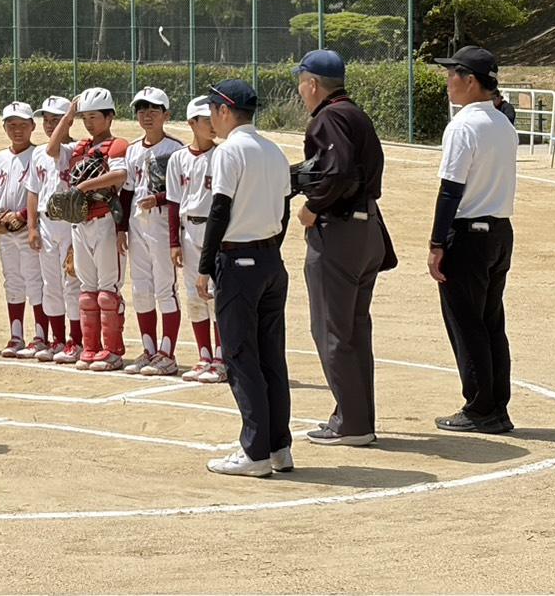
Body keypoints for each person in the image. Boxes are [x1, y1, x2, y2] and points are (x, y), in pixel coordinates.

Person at [197, 80, 293, 478]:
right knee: (271, 356)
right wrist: (268, 248)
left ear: (225, 111)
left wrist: (205, 266)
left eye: (212, 110)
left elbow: (220, 210)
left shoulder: (229, 152)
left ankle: (255, 451)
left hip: (238, 263)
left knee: (240, 356)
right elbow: (285, 211)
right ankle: (279, 447)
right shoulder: (274, 150)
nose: (210, 119)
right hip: (271, 260)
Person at [294, 49, 388, 447]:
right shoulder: (355, 114)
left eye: (302, 83)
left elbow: (338, 172)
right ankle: (359, 418)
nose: (301, 91)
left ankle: (352, 423)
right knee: (354, 329)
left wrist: (313, 207)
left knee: (331, 329)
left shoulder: (329, 117)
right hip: (368, 230)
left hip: (340, 231)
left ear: (313, 84)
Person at [429, 46, 518, 434]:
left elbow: (451, 190)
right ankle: (497, 406)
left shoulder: (463, 125)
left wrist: (436, 243)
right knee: (491, 320)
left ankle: (480, 407)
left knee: (466, 323)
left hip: (468, 234)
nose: (449, 81)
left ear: (469, 80)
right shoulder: (503, 124)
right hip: (499, 232)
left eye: (453, 74)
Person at [46, 89, 129, 370]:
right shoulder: (79, 147)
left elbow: (119, 175)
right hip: (80, 223)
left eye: (94, 117)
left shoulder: (116, 145)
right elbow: (52, 149)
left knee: (107, 292)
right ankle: (91, 347)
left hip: (105, 220)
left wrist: (83, 187)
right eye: (85, 118)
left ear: (109, 117)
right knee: (87, 292)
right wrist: (69, 115)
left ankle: (113, 350)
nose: (89, 123)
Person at [120, 88, 184, 376]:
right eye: (141, 110)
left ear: (166, 115)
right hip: (137, 225)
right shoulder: (133, 149)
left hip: (162, 224)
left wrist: (157, 199)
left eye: (153, 110)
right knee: (141, 288)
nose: (146, 115)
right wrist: (121, 228)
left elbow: (180, 192)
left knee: (165, 287)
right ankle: (149, 350)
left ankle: (167, 353)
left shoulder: (176, 149)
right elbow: (127, 192)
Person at [165, 97, 224, 383]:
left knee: (215, 294)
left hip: (215, 230)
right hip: (188, 230)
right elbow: (173, 202)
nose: (212, 125)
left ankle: (222, 358)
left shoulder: (222, 155)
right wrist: (173, 242)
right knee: (194, 295)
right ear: (191, 123)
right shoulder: (178, 159)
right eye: (205, 121)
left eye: (213, 119)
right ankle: (204, 356)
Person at [21, 97, 77, 361]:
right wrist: (32, 226)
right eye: (47, 120)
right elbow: (33, 191)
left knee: (71, 283)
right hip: (46, 222)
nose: (50, 124)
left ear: (69, 121)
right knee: (50, 284)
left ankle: (76, 340)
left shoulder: (76, 149)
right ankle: (58, 340)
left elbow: (55, 148)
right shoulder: (37, 153)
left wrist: (69, 117)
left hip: (69, 223)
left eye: (57, 119)